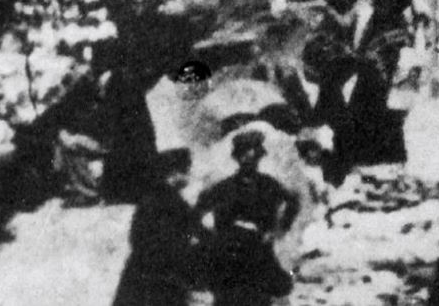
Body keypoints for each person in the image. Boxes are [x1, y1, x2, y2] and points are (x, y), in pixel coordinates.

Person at [194, 131, 299, 306]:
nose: (248, 160)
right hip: (228, 259)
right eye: (243, 155)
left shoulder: (269, 184)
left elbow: (293, 201)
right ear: (236, 157)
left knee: (259, 298)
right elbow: (196, 214)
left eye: (253, 156)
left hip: (259, 257)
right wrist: (211, 238)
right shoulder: (224, 187)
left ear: (259, 158)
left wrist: (278, 230)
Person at [111, 150, 199, 306]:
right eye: (185, 171)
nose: (188, 176)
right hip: (158, 276)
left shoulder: (157, 198)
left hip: (142, 273)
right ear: (173, 173)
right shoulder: (170, 201)